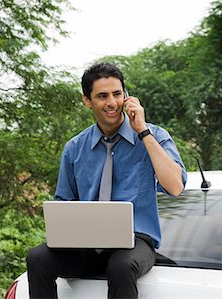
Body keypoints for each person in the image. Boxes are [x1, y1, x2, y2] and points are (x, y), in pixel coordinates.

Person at [27, 62, 187, 299]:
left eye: (117, 94)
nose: (112, 103)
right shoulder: (74, 148)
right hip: (86, 245)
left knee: (121, 265)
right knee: (37, 258)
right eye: (102, 96)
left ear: (127, 96)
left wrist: (142, 131)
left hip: (135, 243)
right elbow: (64, 204)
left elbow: (175, 186)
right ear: (87, 100)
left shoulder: (154, 136)